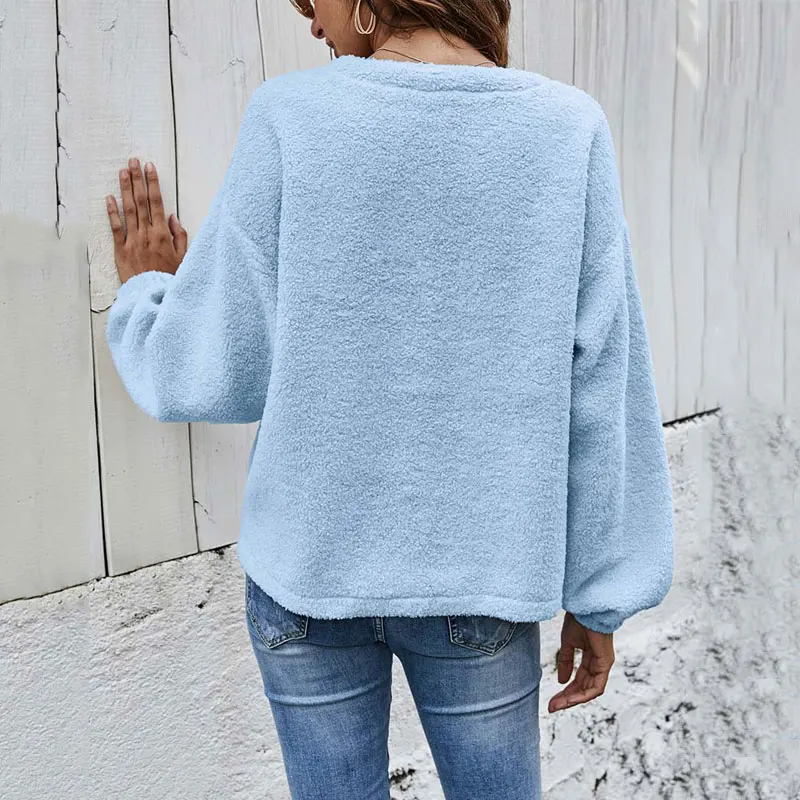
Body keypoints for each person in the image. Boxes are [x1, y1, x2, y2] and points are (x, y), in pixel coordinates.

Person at [103, 1, 675, 797]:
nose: (313, 24)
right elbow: (603, 381)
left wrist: (147, 295)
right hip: (479, 580)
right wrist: (599, 595)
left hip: (307, 575)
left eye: (315, 2)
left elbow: (215, 368)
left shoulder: (291, 117)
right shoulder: (565, 130)